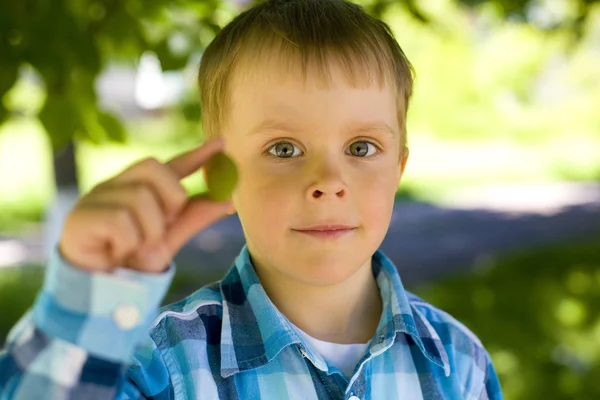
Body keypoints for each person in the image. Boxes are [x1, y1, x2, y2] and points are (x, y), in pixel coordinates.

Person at [0, 0, 503, 398]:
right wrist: (85, 301)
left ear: (398, 170)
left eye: (361, 147)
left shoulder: (458, 361)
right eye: (284, 148)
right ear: (225, 174)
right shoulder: (165, 362)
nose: (329, 181)